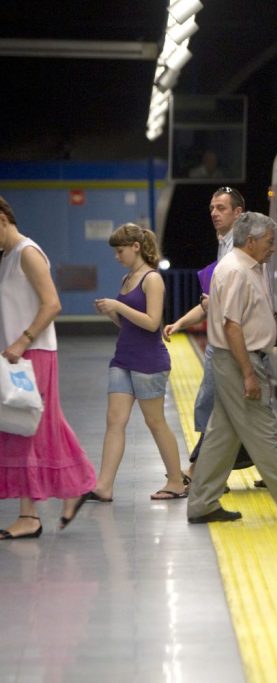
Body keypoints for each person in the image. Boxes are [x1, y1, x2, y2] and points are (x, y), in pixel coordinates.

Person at [187, 212, 277, 523]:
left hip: (236, 359)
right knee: (263, 430)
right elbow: (232, 326)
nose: (272, 248)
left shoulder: (249, 267)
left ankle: (202, 504)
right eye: (268, 242)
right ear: (250, 241)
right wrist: (249, 373)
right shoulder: (236, 271)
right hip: (239, 360)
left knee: (221, 436)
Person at [0, 195, 97, 537]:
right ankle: (77, 487)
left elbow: (52, 303)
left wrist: (23, 340)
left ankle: (30, 516)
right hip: (18, 355)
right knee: (41, 424)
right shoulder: (8, 257)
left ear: (1, 219)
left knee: (26, 427)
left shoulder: (27, 252)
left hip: (34, 352)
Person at [78, 224, 188, 505]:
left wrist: (119, 306)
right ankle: (104, 485)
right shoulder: (127, 279)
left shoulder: (152, 280)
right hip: (123, 358)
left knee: (155, 422)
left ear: (136, 247)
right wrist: (110, 312)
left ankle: (176, 481)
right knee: (114, 421)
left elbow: (152, 323)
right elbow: (127, 324)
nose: (117, 256)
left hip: (149, 362)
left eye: (120, 251)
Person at [163, 187, 252, 473]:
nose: (214, 213)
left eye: (221, 208)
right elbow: (211, 302)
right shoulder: (224, 244)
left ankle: (201, 468)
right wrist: (180, 323)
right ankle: (218, 466)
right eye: (212, 208)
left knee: (213, 403)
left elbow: (239, 295)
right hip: (221, 337)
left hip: (232, 338)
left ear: (238, 213)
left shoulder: (241, 248)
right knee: (221, 406)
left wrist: (216, 301)